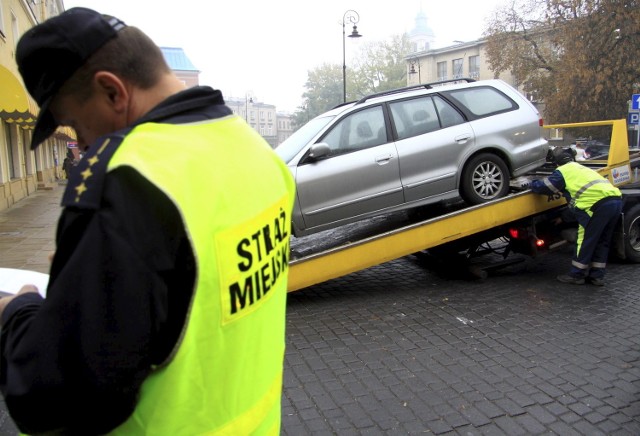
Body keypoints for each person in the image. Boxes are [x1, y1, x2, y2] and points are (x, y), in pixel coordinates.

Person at [0, 7, 295, 435]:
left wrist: (17, 312)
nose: (80, 143)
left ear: (113, 92)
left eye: (75, 124)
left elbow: (58, 397)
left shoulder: (130, 182)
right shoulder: (256, 152)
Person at [529, 147, 622, 286]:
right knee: (603, 240)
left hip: (595, 207)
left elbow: (545, 188)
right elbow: (578, 198)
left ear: (557, 163)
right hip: (615, 201)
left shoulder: (562, 171)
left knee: (584, 240)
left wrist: (531, 183)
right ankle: (597, 276)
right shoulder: (581, 168)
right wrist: (564, 217)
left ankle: (576, 274)